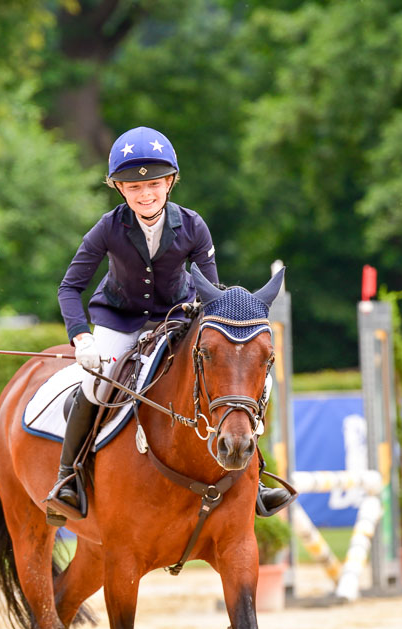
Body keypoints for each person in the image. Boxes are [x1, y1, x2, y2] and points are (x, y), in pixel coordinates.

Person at [48, 125, 290, 518]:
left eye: (154, 185)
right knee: (94, 386)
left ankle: (254, 478)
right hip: (119, 319)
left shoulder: (193, 226)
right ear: (119, 189)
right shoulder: (108, 227)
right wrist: (81, 338)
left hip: (176, 319)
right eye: (134, 187)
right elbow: (69, 287)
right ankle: (69, 478)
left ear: (170, 183)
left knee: (225, 379)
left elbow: (211, 292)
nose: (145, 194)